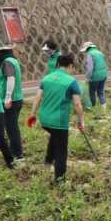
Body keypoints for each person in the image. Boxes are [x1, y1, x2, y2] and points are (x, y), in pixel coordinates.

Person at [27, 53, 85, 183]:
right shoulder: (71, 82)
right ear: (70, 66)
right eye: (73, 67)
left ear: (58, 65)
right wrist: (81, 121)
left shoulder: (46, 78)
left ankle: (48, 161)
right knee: (61, 152)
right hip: (59, 122)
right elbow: (77, 104)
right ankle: (60, 180)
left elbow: (37, 98)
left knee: (54, 135)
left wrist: (32, 114)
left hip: (45, 120)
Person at [0, 41, 25, 161]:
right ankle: (16, 152)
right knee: (11, 127)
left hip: (11, 101)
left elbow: (11, 78)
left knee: (12, 128)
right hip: (16, 99)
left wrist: (8, 97)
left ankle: (17, 154)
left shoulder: (8, 62)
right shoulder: (13, 60)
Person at [80, 41, 109, 111]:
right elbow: (104, 64)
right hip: (104, 75)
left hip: (95, 77)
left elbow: (90, 68)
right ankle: (104, 108)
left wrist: (88, 77)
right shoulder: (100, 53)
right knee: (101, 92)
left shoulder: (90, 54)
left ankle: (93, 107)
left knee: (92, 92)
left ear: (87, 49)